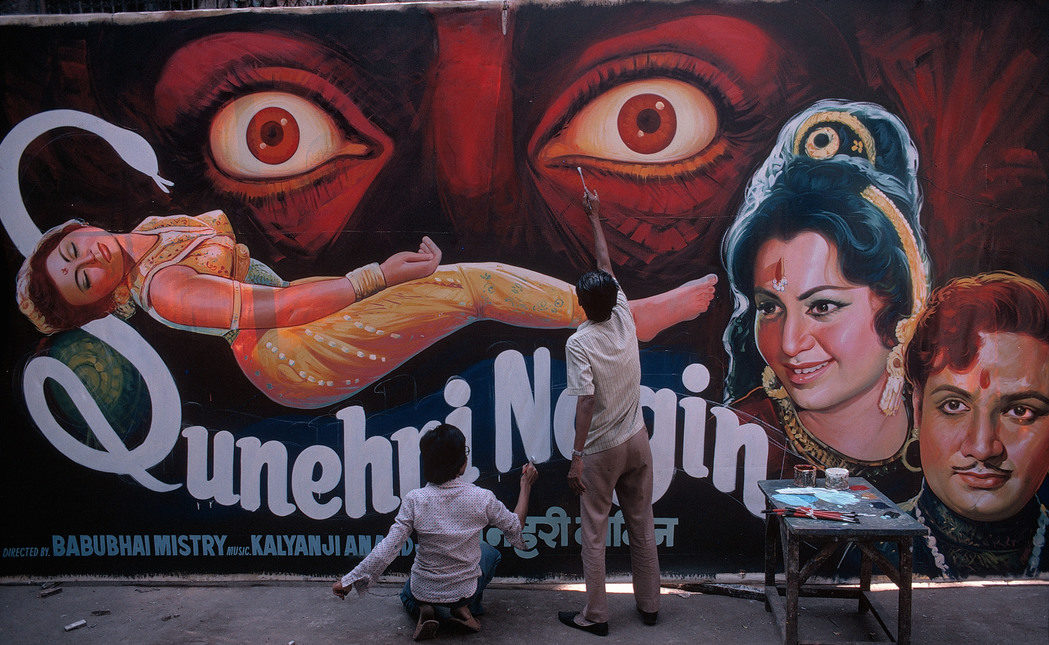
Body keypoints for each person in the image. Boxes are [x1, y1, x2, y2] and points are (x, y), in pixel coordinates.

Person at [15, 210, 718, 410]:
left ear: (76, 230)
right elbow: (283, 306)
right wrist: (376, 274)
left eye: (73, 250)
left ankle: (617, 314)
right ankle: (627, 317)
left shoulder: (146, 230)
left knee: (465, 284)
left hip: (305, 320)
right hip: (292, 352)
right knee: (470, 287)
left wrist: (379, 280)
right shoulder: (165, 288)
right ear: (98, 300)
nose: (89, 259)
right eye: (79, 278)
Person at [721, 100, 931, 502]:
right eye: (770, 308)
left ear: (900, 304)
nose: (788, 343)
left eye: (821, 307)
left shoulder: (952, 426)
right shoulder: (737, 441)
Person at [558, 189, 700, 636]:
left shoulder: (579, 342)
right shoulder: (623, 313)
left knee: (595, 536)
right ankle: (650, 605)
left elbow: (585, 400)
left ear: (583, 305)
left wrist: (577, 456)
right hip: (638, 439)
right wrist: (595, 215)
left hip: (601, 449)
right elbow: (606, 265)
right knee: (642, 524)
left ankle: (595, 615)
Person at [331, 423, 538, 640]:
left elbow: (388, 548)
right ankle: (464, 609)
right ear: (462, 464)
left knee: (407, 592)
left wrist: (348, 580)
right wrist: (526, 485)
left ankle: (425, 610)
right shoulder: (481, 498)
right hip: (464, 589)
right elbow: (516, 526)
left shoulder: (415, 500)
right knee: (490, 553)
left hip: (424, 590)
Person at [903, 272, 1049, 578]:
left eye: (1020, 411)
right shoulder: (862, 554)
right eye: (953, 406)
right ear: (918, 410)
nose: (982, 448)